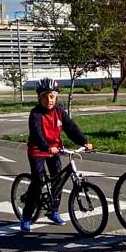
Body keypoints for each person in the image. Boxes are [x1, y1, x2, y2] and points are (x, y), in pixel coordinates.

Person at [20, 77, 93, 232]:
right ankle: (26, 216)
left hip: (55, 149)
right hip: (38, 150)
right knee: (38, 181)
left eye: (52, 96)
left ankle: (53, 211)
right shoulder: (35, 114)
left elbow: (71, 128)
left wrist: (84, 142)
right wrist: (46, 147)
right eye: (45, 97)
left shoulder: (59, 111)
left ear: (56, 96)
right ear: (39, 98)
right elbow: (37, 134)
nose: (49, 100)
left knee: (58, 180)